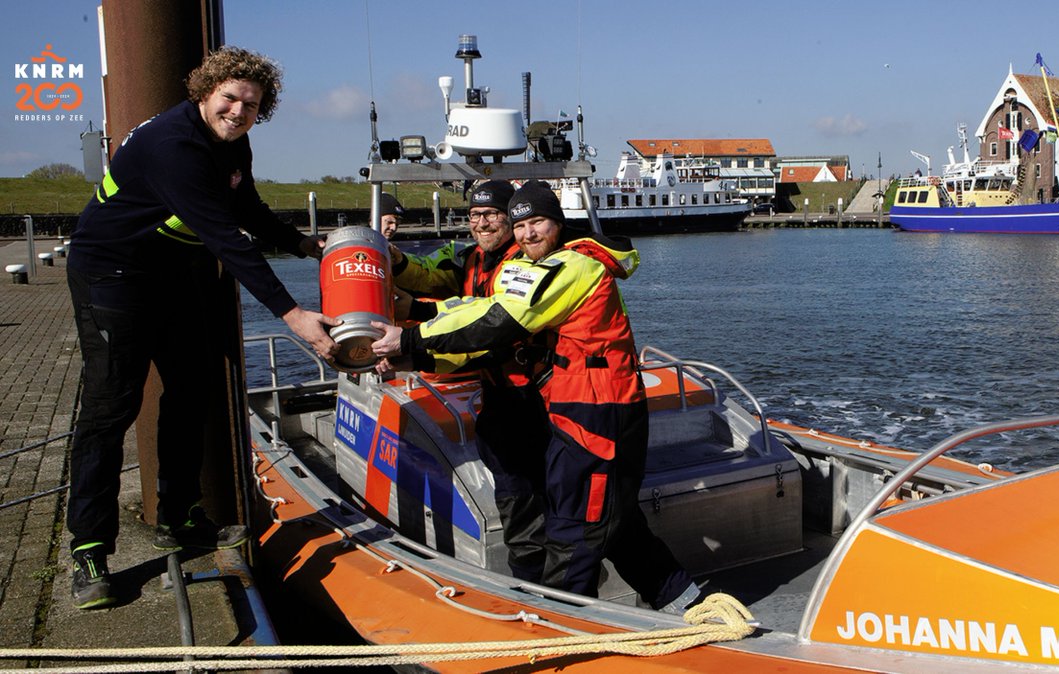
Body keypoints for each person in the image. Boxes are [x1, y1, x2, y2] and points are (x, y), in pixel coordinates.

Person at [66, 46, 339, 610]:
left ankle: (180, 515)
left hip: (172, 274)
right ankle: (89, 548)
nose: (239, 112)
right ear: (204, 92)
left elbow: (248, 210)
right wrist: (293, 316)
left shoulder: (231, 143)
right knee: (109, 407)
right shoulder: (174, 147)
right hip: (114, 274)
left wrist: (307, 246)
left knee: (191, 390)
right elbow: (224, 237)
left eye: (252, 105)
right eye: (231, 98)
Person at [371, 181, 699, 611]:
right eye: (521, 224)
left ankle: (563, 625)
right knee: (604, 521)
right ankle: (684, 601)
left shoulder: (572, 265)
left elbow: (505, 321)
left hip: (598, 411)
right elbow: (479, 307)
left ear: (557, 224)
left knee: (575, 529)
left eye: (535, 222)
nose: (526, 234)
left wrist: (412, 344)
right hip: (569, 409)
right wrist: (417, 315)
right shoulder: (525, 264)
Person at [387, 179, 550, 582]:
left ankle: (537, 582)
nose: (482, 223)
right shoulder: (469, 258)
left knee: (525, 492)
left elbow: (487, 323)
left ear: (510, 218)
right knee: (513, 488)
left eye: (492, 214)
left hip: (533, 398)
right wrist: (396, 262)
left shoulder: (524, 264)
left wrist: (413, 347)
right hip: (498, 396)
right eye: (475, 215)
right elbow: (431, 277)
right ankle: (532, 572)